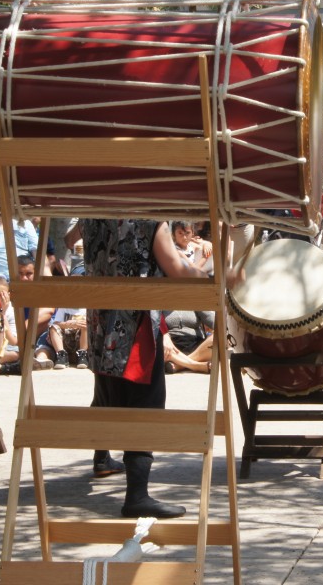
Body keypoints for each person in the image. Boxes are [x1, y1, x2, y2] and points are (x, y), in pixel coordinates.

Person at [72, 217, 218, 515]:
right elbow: (178, 271)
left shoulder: (90, 215)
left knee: (107, 393)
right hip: (133, 321)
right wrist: (213, 275)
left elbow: (67, 241)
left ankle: (102, 458)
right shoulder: (150, 221)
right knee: (145, 405)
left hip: (101, 320)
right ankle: (137, 496)